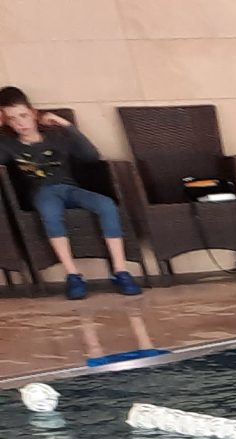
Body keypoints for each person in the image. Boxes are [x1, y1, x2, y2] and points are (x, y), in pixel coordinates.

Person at [0, 90, 141, 299]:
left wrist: (66, 125)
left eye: (23, 115)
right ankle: (73, 275)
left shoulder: (56, 138)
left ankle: (120, 271)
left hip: (70, 189)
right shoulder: (7, 145)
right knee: (49, 212)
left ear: (33, 113)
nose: (20, 123)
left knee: (106, 205)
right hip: (42, 192)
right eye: (12, 119)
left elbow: (91, 155)